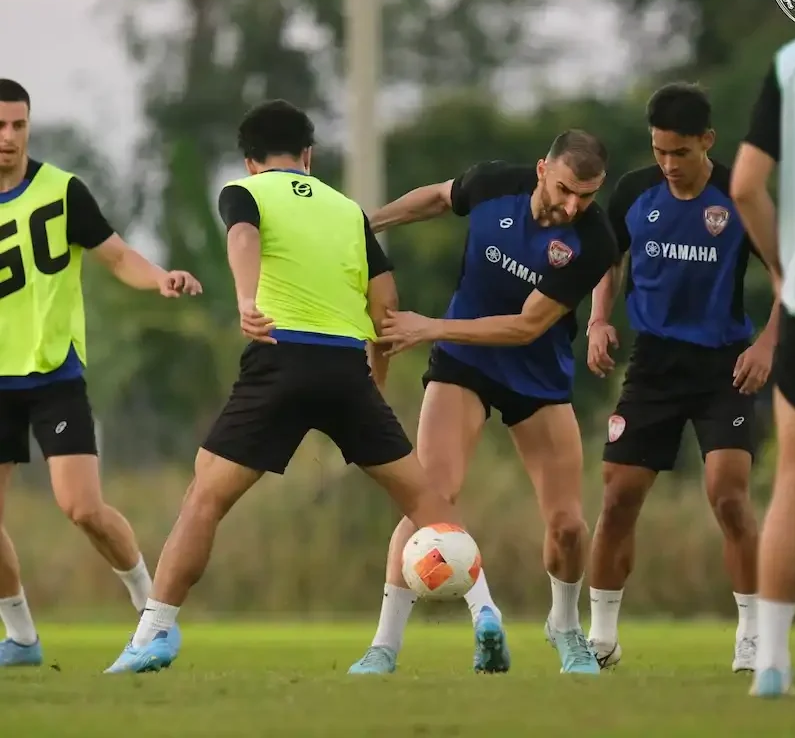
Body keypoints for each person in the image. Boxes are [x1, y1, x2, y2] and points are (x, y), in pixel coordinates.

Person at [104, 99, 464, 674]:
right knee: (426, 500)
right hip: (347, 366)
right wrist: (375, 378)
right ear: (308, 156)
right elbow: (385, 303)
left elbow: (243, 238)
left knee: (205, 499)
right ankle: (487, 611)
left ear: (250, 162)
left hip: (280, 360)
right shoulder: (348, 210)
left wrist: (248, 301)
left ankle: (154, 634)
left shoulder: (245, 192)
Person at [346, 130, 619, 678]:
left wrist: (431, 326)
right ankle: (383, 647)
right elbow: (437, 199)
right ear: (542, 168)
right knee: (430, 497)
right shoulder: (495, 183)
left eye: (585, 196)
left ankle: (565, 628)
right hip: (463, 367)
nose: (573, 206)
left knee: (567, 525)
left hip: (536, 375)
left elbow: (525, 326)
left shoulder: (595, 241)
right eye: (565, 189)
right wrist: (364, 224)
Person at [0, 79, 201, 667]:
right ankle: (20, 638)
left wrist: (159, 276)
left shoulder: (62, 191)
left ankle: (151, 615)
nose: (8, 137)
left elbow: (117, 256)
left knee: (82, 507)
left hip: (52, 374)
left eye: (17, 125)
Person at [585, 83, 779, 673]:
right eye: (660, 151)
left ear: (707, 142)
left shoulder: (739, 196)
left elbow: (785, 274)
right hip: (654, 364)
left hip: (726, 365)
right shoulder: (634, 192)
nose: (669, 164)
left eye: (681, 153)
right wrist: (596, 319)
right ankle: (601, 636)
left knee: (728, 495)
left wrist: (768, 343)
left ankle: (752, 634)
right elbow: (606, 262)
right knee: (618, 497)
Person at [730, 37, 795, 698]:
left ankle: (773, 662)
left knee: (794, 477)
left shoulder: (789, 61)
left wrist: (783, 265)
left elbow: (746, 184)